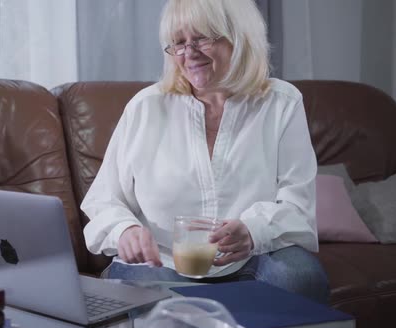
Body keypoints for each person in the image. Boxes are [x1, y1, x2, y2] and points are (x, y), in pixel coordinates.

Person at [81, 0, 329, 304]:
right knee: (155, 299)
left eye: (201, 38)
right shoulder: (145, 107)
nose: (189, 53)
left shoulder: (282, 102)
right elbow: (103, 198)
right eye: (178, 43)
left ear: (238, 37)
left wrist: (253, 231)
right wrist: (125, 229)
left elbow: (297, 201)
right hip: (163, 260)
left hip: (251, 256)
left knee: (302, 278)